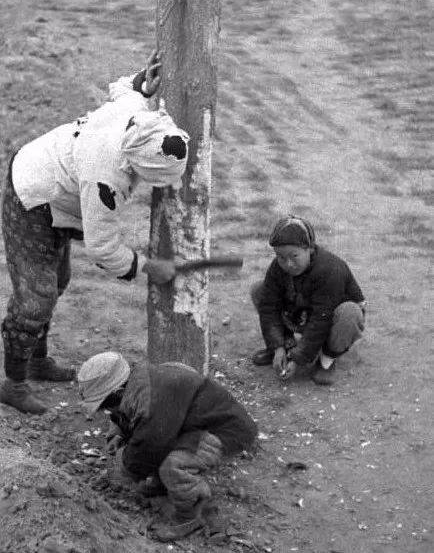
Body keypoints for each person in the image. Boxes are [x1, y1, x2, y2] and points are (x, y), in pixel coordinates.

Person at [0, 53, 190, 414]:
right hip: (32, 194)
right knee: (36, 295)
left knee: (57, 280)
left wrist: (142, 81)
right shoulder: (106, 177)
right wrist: (147, 267)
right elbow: (102, 249)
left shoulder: (140, 119)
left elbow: (124, 90)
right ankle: (14, 384)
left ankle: (37, 361)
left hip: (59, 189)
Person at [77, 351, 257, 542]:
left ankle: (190, 517)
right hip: (190, 423)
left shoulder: (151, 399)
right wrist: (118, 432)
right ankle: (164, 485)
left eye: (105, 405)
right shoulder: (136, 383)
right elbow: (130, 415)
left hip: (224, 429)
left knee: (173, 466)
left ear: (118, 392)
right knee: (157, 443)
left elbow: (148, 448)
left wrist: (123, 464)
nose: (105, 410)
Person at [250, 215, 366, 386]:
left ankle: (326, 360)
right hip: (305, 312)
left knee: (350, 312)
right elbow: (269, 308)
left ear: (309, 249)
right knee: (260, 290)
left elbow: (321, 319)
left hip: (331, 320)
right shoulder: (277, 268)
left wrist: (298, 360)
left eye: (294, 256)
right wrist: (277, 346)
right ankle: (286, 347)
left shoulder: (330, 270)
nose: (287, 263)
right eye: (281, 257)